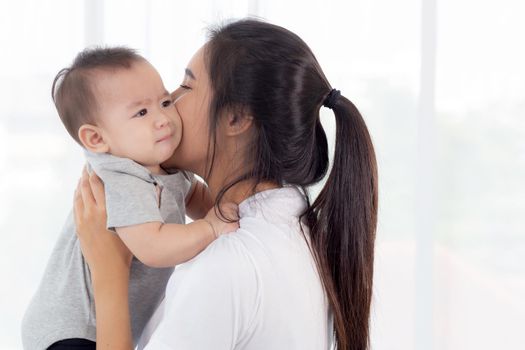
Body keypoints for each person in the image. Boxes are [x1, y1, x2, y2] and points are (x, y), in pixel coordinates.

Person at [74, 19, 378, 350]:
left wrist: (108, 274)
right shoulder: (297, 226)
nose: (169, 103)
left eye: (185, 87)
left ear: (234, 118)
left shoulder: (227, 267)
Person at [21, 47, 238, 350]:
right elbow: (152, 245)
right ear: (97, 139)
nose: (163, 118)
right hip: (75, 329)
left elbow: (194, 196)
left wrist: (224, 211)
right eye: (141, 112)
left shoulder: (156, 161)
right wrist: (210, 228)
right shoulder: (122, 178)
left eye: (165, 102)